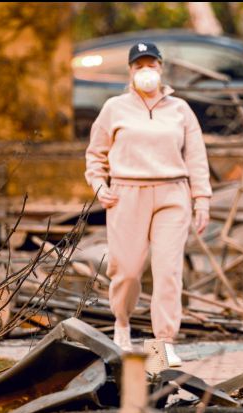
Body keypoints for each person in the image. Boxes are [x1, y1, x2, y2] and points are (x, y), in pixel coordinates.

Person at [84, 42, 212, 365]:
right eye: (138, 65)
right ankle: (122, 324)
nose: (145, 70)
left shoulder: (180, 110)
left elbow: (196, 156)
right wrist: (99, 185)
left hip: (173, 193)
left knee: (168, 271)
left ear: (160, 67)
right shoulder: (114, 108)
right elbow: (95, 155)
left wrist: (202, 200)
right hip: (127, 193)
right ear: (130, 71)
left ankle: (161, 346)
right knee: (125, 271)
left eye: (150, 64)